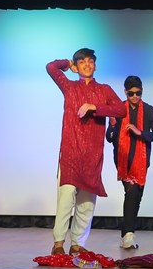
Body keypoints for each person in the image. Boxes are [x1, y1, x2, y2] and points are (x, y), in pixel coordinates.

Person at [47, 49, 126, 255]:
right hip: (70, 152)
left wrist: (95, 107)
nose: (87, 65)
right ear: (77, 67)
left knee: (86, 203)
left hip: (92, 155)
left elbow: (121, 110)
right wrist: (68, 63)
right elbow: (51, 67)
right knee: (66, 199)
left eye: (90, 61)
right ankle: (58, 243)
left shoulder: (104, 90)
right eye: (82, 62)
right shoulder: (69, 87)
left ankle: (77, 243)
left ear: (95, 66)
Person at [105, 75, 153, 250]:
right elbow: (110, 138)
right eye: (131, 93)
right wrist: (112, 125)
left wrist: (141, 133)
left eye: (138, 93)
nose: (135, 96)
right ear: (125, 92)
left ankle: (126, 234)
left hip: (142, 160)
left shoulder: (149, 111)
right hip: (122, 159)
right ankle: (129, 235)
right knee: (132, 193)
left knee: (136, 197)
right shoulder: (118, 110)